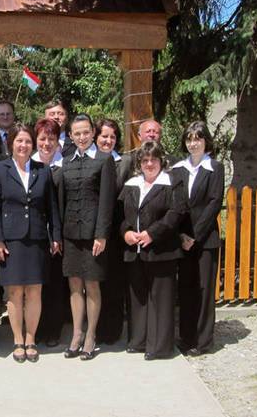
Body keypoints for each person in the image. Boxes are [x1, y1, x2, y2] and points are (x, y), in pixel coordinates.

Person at [0, 123, 61, 363]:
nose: (24, 145)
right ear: (11, 143)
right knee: (15, 291)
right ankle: (17, 339)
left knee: (34, 291)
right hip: (11, 240)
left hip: (37, 239)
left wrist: (56, 237)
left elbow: (52, 207)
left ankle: (31, 339)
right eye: (19, 141)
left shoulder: (43, 170)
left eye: (28, 141)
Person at [119, 141, 187, 360]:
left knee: (161, 299)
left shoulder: (172, 183)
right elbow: (121, 216)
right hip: (135, 251)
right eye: (145, 160)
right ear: (139, 162)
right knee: (137, 298)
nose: (149, 164)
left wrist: (152, 233)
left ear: (161, 161)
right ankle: (138, 340)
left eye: (154, 159)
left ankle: (159, 347)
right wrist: (126, 233)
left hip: (162, 251)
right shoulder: (131, 184)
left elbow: (175, 214)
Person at [58, 114, 116, 360]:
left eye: (85, 132)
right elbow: (62, 200)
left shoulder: (104, 160)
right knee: (74, 285)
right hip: (71, 234)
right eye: (77, 133)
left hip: (94, 236)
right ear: (71, 136)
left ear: (93, 133)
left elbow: (107, 201)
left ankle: (91, 335)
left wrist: (101, 234)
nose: (82, 137)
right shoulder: (66, 162)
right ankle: (77, 334)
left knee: (92, 284)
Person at [172, 121, 225, 357]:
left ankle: (203, 341)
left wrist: (194, 236)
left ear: (206, 141)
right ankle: (186, 337)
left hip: (205, 240)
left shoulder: (215, 168)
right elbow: (175, 203)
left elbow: (214, 203)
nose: (193, 143)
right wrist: (181, 235)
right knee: (186, 289)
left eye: (198, 139)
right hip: (182, 239)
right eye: (189, 139)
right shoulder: (178, 169)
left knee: (204, 290)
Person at [31, 117, 66, 347]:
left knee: (55, 285)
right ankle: (36, 329)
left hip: (58, 234)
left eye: (51, 138)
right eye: (43, 138)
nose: (46, 143)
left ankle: (53, 329)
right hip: (34, 235)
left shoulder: (65, 164)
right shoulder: (29, 164)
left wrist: (58, 235)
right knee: (36, 286)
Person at [93, 118, 128, 345]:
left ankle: (112, 330)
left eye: (113, 137)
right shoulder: (88, 161)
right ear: (96, 137)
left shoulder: (124, 163)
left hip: (116, 231)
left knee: (114, 283)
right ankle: (94, 329)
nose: (108, 140)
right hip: (92, 231)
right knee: (94, 283)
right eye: (104, 136)